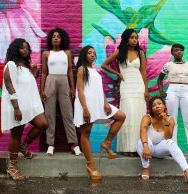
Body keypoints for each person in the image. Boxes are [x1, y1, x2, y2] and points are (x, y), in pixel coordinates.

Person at [74, 45, 126, 180]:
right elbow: (80, 90)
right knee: (86, 133)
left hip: (99, 104)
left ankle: (107, 142)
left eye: (94, 53)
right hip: (86, 104)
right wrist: (85, 108)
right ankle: (90, 165)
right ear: (84, 55)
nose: (92, 55)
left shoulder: (95, 71)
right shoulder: (82, 69)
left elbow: (99, 89)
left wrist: (105, 103)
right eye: (89, 53)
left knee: (121, 116)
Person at [1, 38, 49, 180]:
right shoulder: (11, 64)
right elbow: (10, 85)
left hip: (30, 105)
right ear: (16, 49)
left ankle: (24, 146)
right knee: (16, 135)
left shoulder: (26, 66)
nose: (25, 50)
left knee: (43, 124)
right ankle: (12, 167)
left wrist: (34, 72)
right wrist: (16, 107)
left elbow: (26, 84)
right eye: (22, 48)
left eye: (27, 48)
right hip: (17, 105)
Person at [101, 29, 149, 156]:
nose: (134, 40)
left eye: (136, 38)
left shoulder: (140, 53)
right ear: (127, 39)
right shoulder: (120, 52)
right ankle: (126, 148)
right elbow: (104, 65)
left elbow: (144, 72)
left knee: (138, 115)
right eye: (132, 37)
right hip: (126, 85)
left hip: (138, 86)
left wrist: (146, 90)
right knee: (127, 114)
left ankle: (136, 148)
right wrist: (118, 74)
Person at [136, 96, 188, 183]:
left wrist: (165, 121)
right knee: (140, 142)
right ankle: (146, 168)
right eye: (154, 105)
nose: (157, 106)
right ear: (151, 109)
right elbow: (143, 132)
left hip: (159, 150)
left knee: (171, 143)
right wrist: (145, 146)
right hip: (147, 148)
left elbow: (168, 137)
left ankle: (187, 172)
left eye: (159, 103)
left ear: (164, 106)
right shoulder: (147, 117)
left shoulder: (170, 119)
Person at [41, 28, 81, 156]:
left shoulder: (67, 53)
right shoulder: (46, 54)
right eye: (53, 36)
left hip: (64, 81)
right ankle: (50, 144)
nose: (56, 38)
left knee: (68, 114)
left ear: (62, 39)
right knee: (49, 115)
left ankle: (74, 144)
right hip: (50, 80)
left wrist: (72, 87)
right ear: (50, 39)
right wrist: (42, 90)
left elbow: (70, 71)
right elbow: (43, 72)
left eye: (58, 36)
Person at [157, 43, 188, 157]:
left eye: (181, 50)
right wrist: (161, 91)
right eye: (176, 50)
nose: (179, 52)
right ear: (172, 53)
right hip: (172, 90)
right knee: (172, 120)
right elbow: (159, 79)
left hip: (185, 91)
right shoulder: (168, 65)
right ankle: (172, 148)